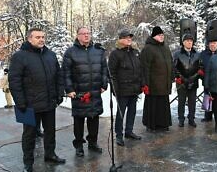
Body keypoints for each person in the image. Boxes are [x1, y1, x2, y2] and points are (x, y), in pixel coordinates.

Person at [8, 27, 65, 172]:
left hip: (49, 103)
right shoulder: (19, 56)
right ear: (29, 39)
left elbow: (59, 76)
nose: (41, 39)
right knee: (29, 135)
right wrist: (20, 102)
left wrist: (59, 94)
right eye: (37, 37)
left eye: (43, 37)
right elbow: (14, 81)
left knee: (50, 132)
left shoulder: (50, 55)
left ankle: (50, 154)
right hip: (28, 105)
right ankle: (28, 163)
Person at [62, 27, 108, 157]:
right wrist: (69, 89)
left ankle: (93, 142)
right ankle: (79, 145)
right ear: (77, 36)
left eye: (88, 33)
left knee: (94, 118)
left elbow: (104, 69)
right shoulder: (70, 52)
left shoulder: (98, 51)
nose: (87, 36)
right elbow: (66, 73)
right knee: (79, 120)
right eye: (83, 34)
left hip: (95, 92)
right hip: (79, 93)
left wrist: (104, 84)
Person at [108, 29, 142, 146]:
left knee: (132, 112)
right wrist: (115, 89)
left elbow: (140, 69)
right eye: (126, 37)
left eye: (130, 37)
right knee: (121, 113)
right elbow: (111, 73)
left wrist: (141, 85)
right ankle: (118, 134)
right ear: (120, 39)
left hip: (134, 88)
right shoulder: (115, 54)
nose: (129, 39)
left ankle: (129, 131)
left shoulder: (135, 52)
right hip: (122, 89)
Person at [140, 26, 173, 131]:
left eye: (163, 35)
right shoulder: (148, 49)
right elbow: (145, 67)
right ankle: (152, 125)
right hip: (153, 84)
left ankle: (163, 124)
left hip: (164, 83)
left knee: (163, 105)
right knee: (153, 105)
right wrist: (145, 83)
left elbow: (170, 63)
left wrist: (172, 76)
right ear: (154, 36)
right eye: (159, 35)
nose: (162, 37)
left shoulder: (166, 48)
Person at [173, 33, 202, 128]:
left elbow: (200, 68)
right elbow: (174, 68)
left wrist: (194, 77)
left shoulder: (197, 54)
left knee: (192, 102)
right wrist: (181, 78)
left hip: (193, 82)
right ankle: (181, 119)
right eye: (187, 41)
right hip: (181, 83)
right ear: (183, 42)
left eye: (191, 41)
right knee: (181, 102)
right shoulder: (177, 54)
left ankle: (191, 119)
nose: (189, 42)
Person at [200, 40, 217, 122]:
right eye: (211, 43)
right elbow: (199, 65)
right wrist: (202, 74)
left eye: (214, 43)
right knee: (207, 97)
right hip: (206, 79)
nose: (213, 45)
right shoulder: (203, 54)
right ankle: (208, 116)